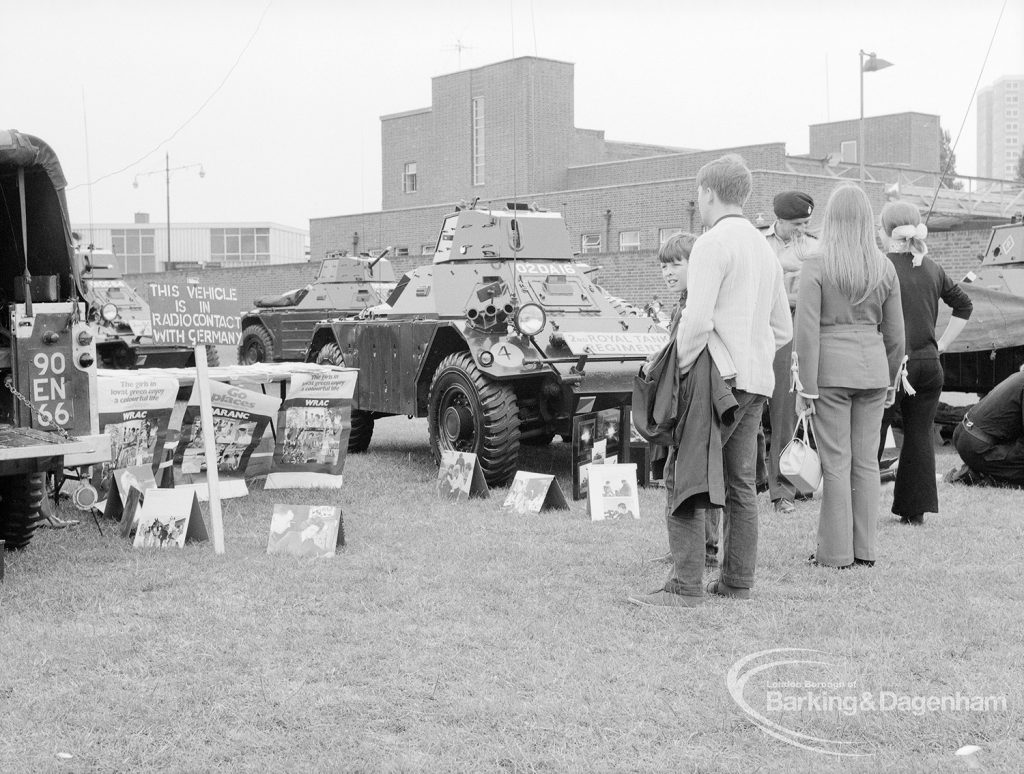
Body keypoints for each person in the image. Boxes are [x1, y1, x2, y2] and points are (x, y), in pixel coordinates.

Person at [631, 154, 792, 607]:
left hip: (713, 378)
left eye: (698, 194)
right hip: (756, 381)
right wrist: (751, 351)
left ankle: (684, 588)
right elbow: (784, 329)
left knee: (681, 474)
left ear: (708, 192)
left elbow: (696, 321)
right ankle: (736, 582)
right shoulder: (766, 249)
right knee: (742, 485)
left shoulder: (710, 243)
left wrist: (679, 375)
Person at [793, 184, 905, 569]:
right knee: (866, 463)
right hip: (873, 370)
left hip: (828, 374)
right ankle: (865, 550)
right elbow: (896, 335)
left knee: (836, 464)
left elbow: (805, 331)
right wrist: (890, 380)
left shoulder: (816, 264)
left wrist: (804, 386)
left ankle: (836, 553)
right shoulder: (884, 267)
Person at [877, 200, 972, 525]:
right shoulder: (932, 267)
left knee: (874, 433)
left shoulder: (881, 267)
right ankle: (913, 511)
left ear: (885, 231)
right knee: (919, 436)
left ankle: (854, 504)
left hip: (892, 365)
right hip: (929, 365)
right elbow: (964, 305)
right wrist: (941, 344)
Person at [642, 231, 725, 570]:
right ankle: (693, 548)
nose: (668, 272)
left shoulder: (695, 305)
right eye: (664, 266)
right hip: (692, 394)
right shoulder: (682, 304)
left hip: (695, 396)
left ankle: (698, 551)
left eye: (676, 264)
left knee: (686, 475)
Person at [763, 190, 819, 513]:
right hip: (763, 327)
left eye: (806, 223)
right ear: (779, 220)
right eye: (796, 223)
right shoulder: (760, 243)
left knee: (787, 411)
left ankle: (786, 489)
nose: (801, 228)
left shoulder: (813, 248)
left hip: (795, 327)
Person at [948, 369, 1024, 487]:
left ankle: (979, 471)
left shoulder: (1019, 377)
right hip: (978, 444)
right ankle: (978, 477)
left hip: (967, 435)